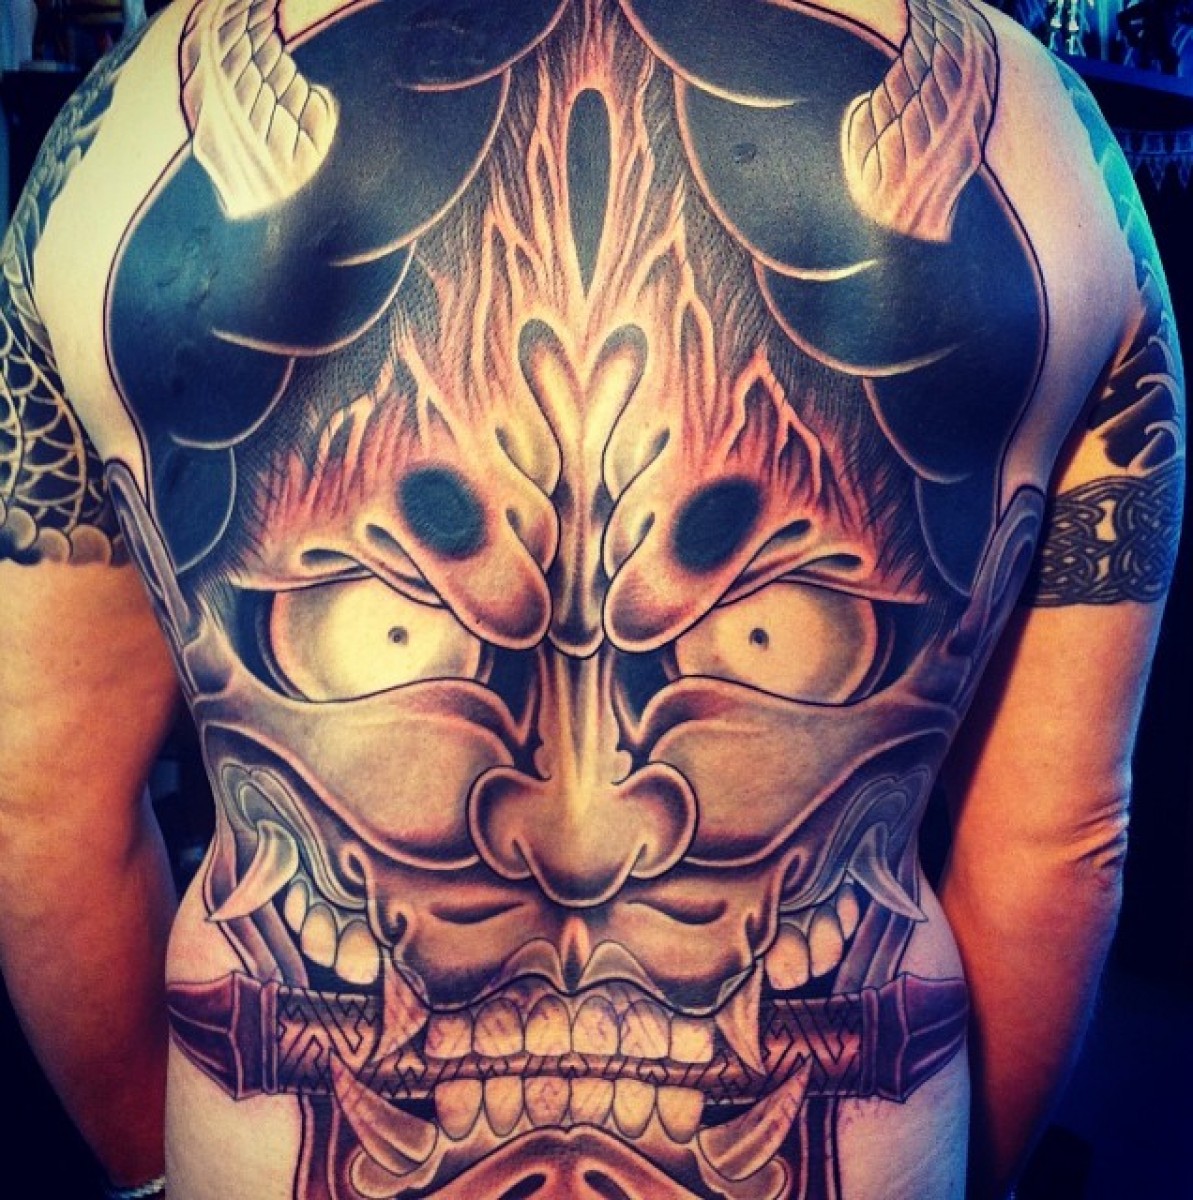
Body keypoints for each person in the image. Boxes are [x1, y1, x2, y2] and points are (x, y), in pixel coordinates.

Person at [0, 1, 1182, 1198]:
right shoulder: (1047, 157)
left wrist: (156, 1175)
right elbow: (1061, 845)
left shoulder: (118, 146)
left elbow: (37, 809)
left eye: (774, 631)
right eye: (379, 622)